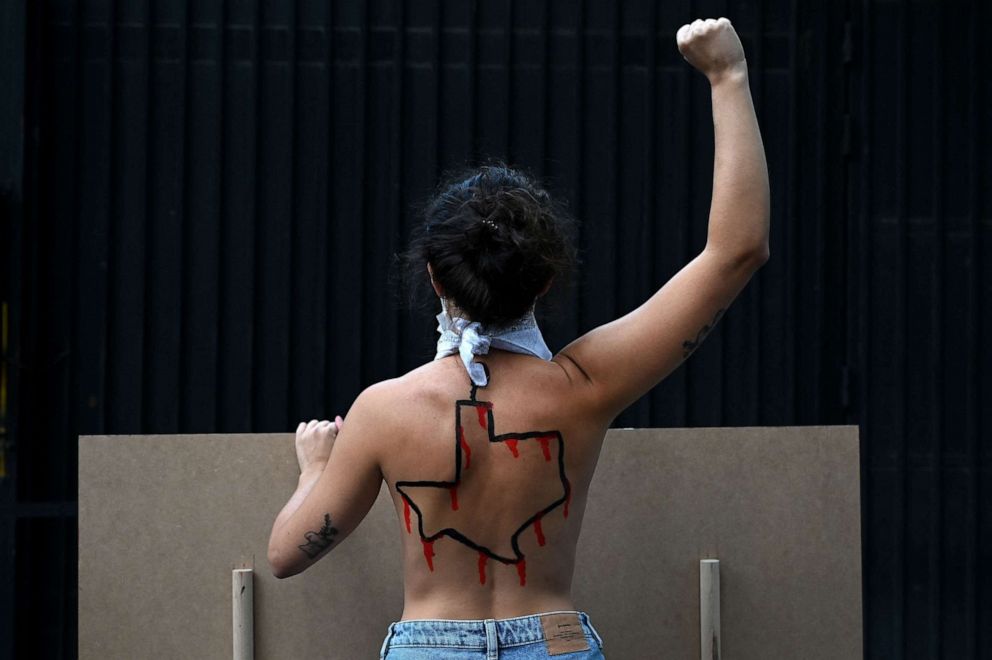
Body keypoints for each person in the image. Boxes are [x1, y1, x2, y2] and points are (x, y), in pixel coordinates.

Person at [268, 16, 769, 659]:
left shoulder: (384, 412)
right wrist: (728, 75)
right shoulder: (585, 388)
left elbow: (286, 554)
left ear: (432, 275)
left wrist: (315, 470)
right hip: (554, 644)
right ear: (545, 281)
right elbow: (737, 250)